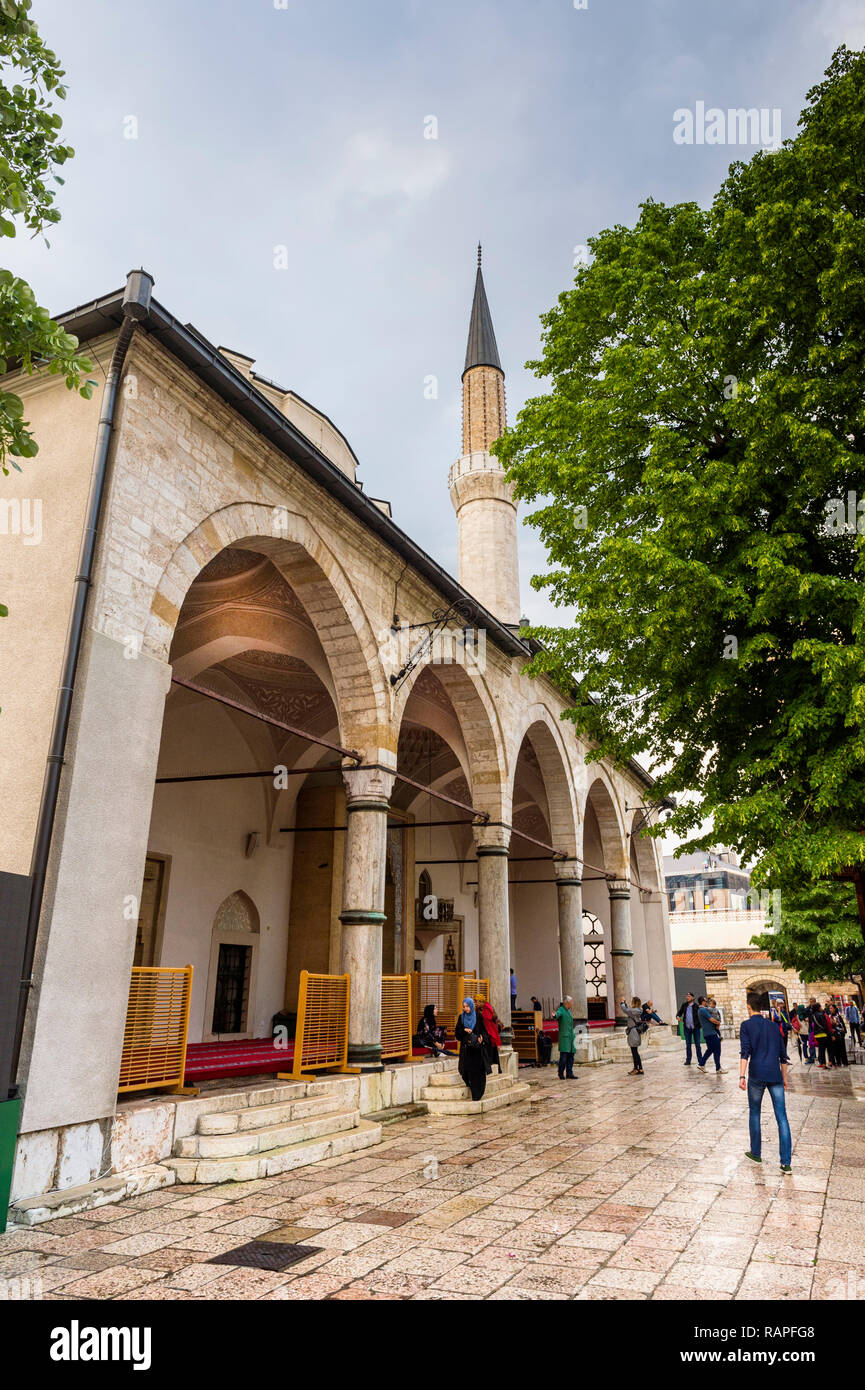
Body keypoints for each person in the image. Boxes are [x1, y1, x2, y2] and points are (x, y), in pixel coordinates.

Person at [739, 990, 792, 1173]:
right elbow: (783, 1056)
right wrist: (784, 1078)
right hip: (775, 1075)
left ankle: (756, 1152)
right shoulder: (773, 1026)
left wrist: (741, 1076)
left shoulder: (746, 1026)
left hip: (757, 1074)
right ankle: (786, 1162)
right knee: (782, 1117)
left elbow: (745, 1052)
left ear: (748, 1007)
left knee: (755, 1113)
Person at [454, 997, 489, 1102]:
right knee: (466, 1071)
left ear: (471, 1006)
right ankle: (473, 1089)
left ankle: (477, 1094)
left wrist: (482, 1038)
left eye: (467, 1006)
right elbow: (457, 1034)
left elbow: (484, 1031)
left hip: (477, 1049)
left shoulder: (478, 1017)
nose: (466, 1009)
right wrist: (464, 1030)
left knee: (477, 1072)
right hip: (466, 1049)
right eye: (464, 1007)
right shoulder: (461, 1017)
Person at [697, 995, 727, 1074]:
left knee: (710, 1049)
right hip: (711, 1033)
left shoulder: (700, 1010)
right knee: (717, 1049)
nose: (707, 1003)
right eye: (706, 1001)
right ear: (703, 1002)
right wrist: (718, 1023)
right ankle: (718, 1068)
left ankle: (701, 1064)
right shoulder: (703, 1010)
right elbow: (711, 1019)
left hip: (707, 1033)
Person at [676, 990, 705, 1068]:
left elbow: (701, 1014)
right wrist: (678, 1016)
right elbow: (680, 1012)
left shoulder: (696, 1006)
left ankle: (700, 1060)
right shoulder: (684, 1005)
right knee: (688, 1045)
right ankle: (688, 1060)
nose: (687, 997)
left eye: (689, 996)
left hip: (695, 1028)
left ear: (692, 998)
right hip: (687, 1028)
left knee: (697, 1045)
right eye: (687, 996)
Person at [620, 996, 645, 1076]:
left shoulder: (634, 1011)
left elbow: (625, 1010)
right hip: (635, 1032)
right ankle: (640, 1068)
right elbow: (628, 1011)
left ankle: (636, 1069)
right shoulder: (637, 1010)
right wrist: (625, 1004)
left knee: (634, 1051)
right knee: (635, 1051)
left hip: (633, 1032)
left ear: (634, 1002)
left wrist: (622, 1003)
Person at [555, 995, 576, 1080]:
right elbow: (557, 1014)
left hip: (571, 1037)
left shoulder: (569, 1011)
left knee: (571, 1056)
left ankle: (569, 1073)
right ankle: (560, 1073)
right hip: (564, 1038)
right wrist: (554, 1015)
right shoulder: (561, 1009)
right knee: (563, 1057)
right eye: (571, 1002)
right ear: (567, 1003)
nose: (572, 1003)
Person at [479, 998, 502, 1073]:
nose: (477, 1003)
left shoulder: (486, 1013)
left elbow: (487, 1026)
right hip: (492, 1036)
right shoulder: (489, 1010)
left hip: (489, 1036)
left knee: (490, 1055)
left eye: (478, 1001)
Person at [810, 999, 832, 1068]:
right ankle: (829, 1062)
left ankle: (823, 1063)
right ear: (818, 1008)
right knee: (828, 1048)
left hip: (817, 1035)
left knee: (821, 1049)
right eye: (820, 1007)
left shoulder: (813, 1016)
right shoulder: (821, 1015)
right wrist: (829, 1034)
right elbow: (825, 1025)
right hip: (823, 1034)